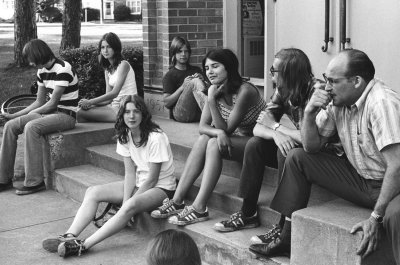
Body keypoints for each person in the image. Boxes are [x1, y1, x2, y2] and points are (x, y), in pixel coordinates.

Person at [248, 49, 400, 263]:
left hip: (393, 188)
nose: (326, 87)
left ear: (356, 81)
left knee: (393, 218)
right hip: (361, 180)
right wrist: (309, 112)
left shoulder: (381, 102)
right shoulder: (337, 101)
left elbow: (397, 166)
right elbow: (311, 146)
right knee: (297, 157)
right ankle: (286, 237)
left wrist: (375, 217)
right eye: (326, 79)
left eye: (333, 81)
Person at [42, 95, 177, 257]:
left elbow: (153, 179)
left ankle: (83, 245)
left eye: (136, 112)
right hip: (139, 183)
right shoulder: (125, 135)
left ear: (143, 114)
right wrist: (127, 198)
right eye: (127, 112)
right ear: (122, 115)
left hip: (161, 188)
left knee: (128, 206)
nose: (132, 116)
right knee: (93, 191)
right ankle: (69, 236)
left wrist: (127, 205)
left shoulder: (156, 137)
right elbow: (129, 173)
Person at [151, 48, 267, 226]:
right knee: (205, 139)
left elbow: (227, 129)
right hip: (238, 140)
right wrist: (218, 130)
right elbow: (203, 127)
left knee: (212, 143)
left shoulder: (245, 91)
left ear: (228, 67)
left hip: (258, 144)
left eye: (215, 66)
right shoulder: (215, 89)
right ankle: (177, 200)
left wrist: (211, 100)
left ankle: (199, 207)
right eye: (206, 68)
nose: (210, 72)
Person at [212, 48, 317, 233]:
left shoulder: (317, 93)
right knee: (255, 144)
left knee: (286, 151)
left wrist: (277, 127)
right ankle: (248, 212)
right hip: (301, 147)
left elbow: (312, 140)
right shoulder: (283, 90)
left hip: (321, 153)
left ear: (289, 73)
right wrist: (276, 134)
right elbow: (258, 128)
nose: (270, 75)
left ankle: (283, 224)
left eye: (273, 71)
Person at [0, 39, 78, 195]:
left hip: (65, 116)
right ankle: (3, 179)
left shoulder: (63, 68)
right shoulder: (41, 71)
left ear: (38, 54)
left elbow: (53, 104)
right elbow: (39, 101)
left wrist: (30, 115)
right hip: (47, 114)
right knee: (10, 126)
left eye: (30, 58)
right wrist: (13, 116)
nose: (30, 62)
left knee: (31, 126)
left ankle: (35, 181)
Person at [77, 32, 137, 122]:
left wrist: (90, 102)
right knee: (81, 110)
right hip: (114, 105)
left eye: (109, 47)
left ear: (115, 48)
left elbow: (114, 93)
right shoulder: (107, 69)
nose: (105, 50)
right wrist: (89, 104)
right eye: (102, 47)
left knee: (80, 113)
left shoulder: (124, 65)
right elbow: (108, 99)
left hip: (126, 107)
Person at [163, 36, 208, 123]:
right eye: (180, 51)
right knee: (194, 81)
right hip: (180, 114)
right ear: (174, 53)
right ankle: (214, 116)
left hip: (197, 113)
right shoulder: (170, 75)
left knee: (201, 82)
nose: (183, 54)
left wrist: (204, 82)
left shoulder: (196, 70)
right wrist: (182, 87)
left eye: (186, 51)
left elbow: (209, 91)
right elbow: (166, 103)